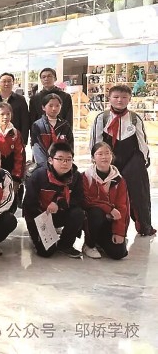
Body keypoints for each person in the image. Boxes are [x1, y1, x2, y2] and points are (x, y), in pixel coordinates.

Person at [90, 85, 155, 236]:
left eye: (124, 97)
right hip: (109, 159)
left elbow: (142, 140)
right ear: (109, 98)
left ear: (130, 99)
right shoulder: (102, 118)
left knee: (139, 193)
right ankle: (110, 227)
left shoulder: (134, 118)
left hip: (133, 159)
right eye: (116, 97)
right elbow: (95, 141)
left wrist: (144, 159)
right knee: (109, 193)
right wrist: (96, 160)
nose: (120, 100)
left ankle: (144, 225)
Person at [23, 142, 85, 258]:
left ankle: (65, 244)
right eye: (60, 159)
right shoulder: (38, 175)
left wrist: (59, 203)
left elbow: (78, 199)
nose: (65, 163)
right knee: (46, 252)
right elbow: (29, 205)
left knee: (78, 213)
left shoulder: (76, 176)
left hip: (60, 213)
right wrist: (38, 227)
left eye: (68, 159)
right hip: (40, 216)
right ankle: (39, 237)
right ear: (50, 160)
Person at [81, 142, 129, 260]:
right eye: (100, 154)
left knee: (119, 253)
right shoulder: (86, 176)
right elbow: (86, 201)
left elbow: (123, 207)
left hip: (110, 221)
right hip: (91, 219)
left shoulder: (119, 180)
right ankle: (89, 244)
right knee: (96, 212)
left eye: (107, 153)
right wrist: (109, 209)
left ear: (112, 156)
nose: (104, 157)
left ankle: (100, 240)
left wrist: (119, 232)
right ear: (93, 158)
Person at [0, 72, 29, 144]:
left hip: (15, 138)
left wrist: (24, 140)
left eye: (9, 81)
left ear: (13, 83)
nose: (6, 84)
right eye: (4, 81)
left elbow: (25, 121)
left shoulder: (20, 100)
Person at [31, 93, 74, 168]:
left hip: (62, 164)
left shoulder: (65, 125)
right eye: (50, 106)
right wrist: (45, 166)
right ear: (43, 107)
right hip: (43, 165)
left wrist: (65, 161)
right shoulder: (37, 125)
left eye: (57, 106)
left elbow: (70, 146)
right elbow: (37, 147)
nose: (54, 108)